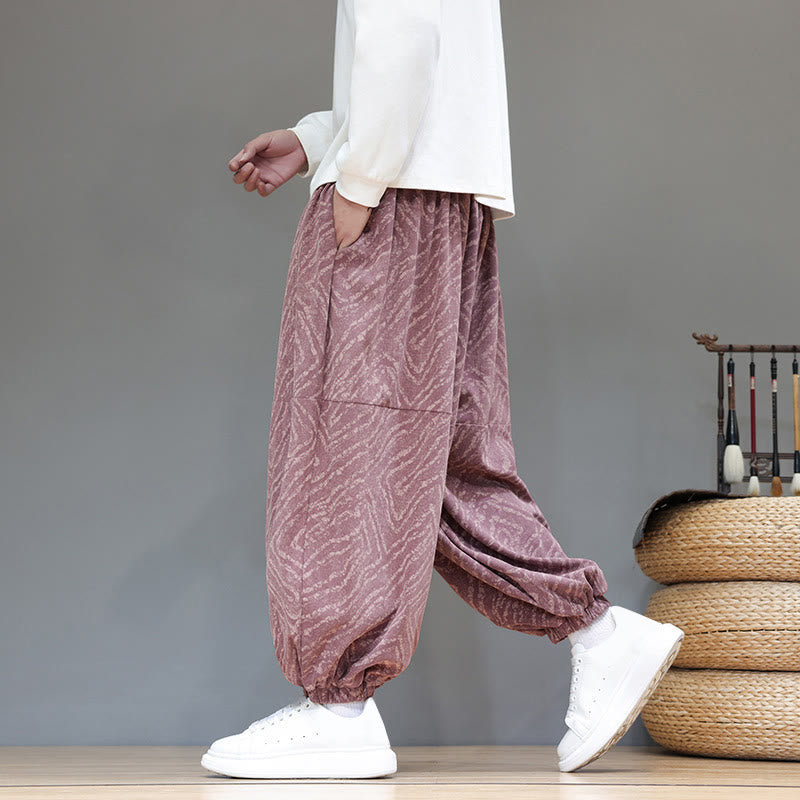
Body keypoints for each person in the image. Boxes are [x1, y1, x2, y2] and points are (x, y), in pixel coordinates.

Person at [201, 0, 684, 780]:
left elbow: (400, 40)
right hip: (443, 205)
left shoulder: (378, 185)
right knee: (440, 457)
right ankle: (597, 632)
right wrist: (322, 138)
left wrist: (359, 182)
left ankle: (338, 709)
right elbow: (425, 45)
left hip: (393, 201)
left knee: (342, 450)